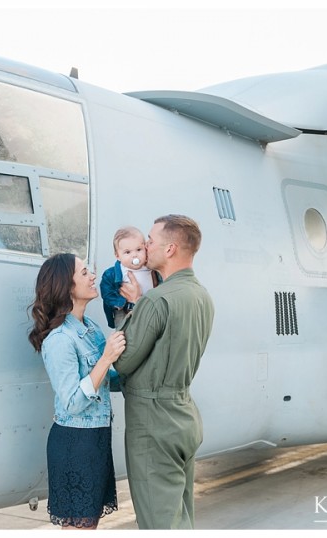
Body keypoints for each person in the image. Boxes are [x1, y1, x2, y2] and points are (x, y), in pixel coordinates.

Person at [114, 215, 215, 529]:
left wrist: (135, 309)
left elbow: (124, 361)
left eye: (151, 240)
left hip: (153, 424)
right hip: (183, 416)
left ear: (170, 249)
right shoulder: (202, 296)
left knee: (160, 524)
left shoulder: (156, 301)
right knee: (179, 519)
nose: (145, 246)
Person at [28, 253, 126, 529]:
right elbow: (72, 401)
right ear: (66, 286)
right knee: (78, 528)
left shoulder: (90, 329)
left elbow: (105, 381)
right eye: (84, 273)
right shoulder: (59, 340)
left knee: (88, 525)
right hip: (75, 444)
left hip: (96, 438)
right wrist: (107, 358)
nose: (93, 276)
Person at [100, 226, 161, 329]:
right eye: (127, 252)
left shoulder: (151, 267)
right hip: (124, 311)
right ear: (118, 256)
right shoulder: (113, 273)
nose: (135, 255)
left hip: (148, 309)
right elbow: (106, 292)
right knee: (123, 332)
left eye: (138, 249)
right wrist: (120, 303)